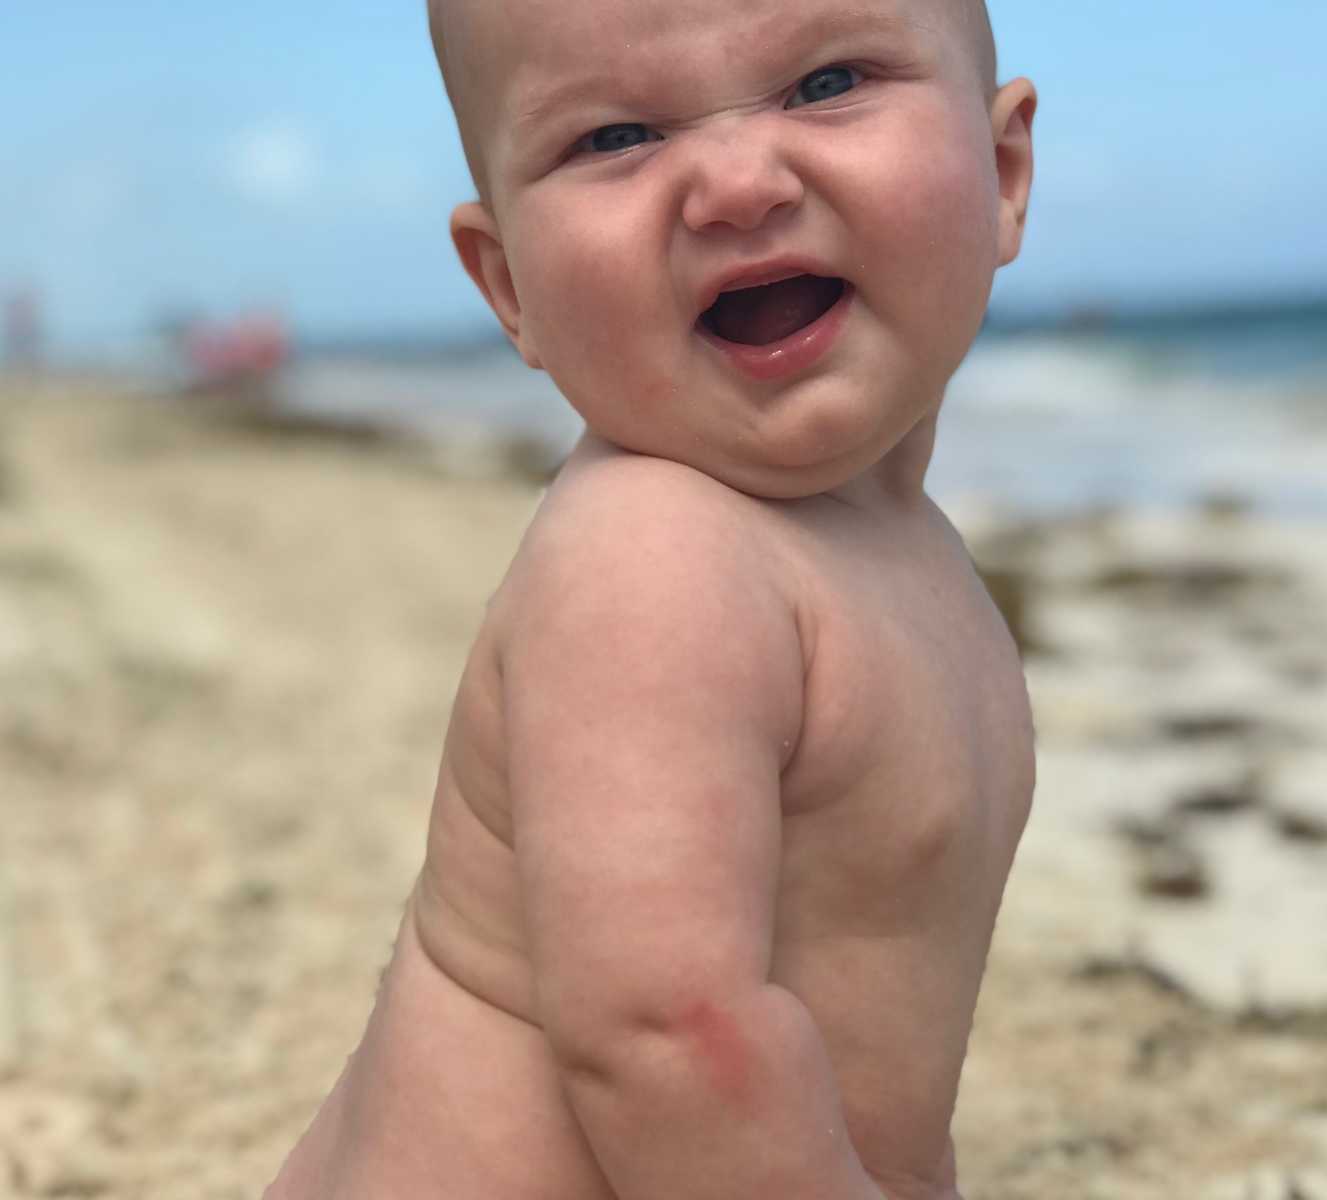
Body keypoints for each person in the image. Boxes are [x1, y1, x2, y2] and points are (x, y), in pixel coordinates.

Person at [267, 0, 1036, 1195]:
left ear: (1001, 174)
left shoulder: (901, 554)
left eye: (826, 84)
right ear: (509, 283)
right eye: (616, 137)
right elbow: (675, 1042)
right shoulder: (655, 557)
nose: (734, 184)